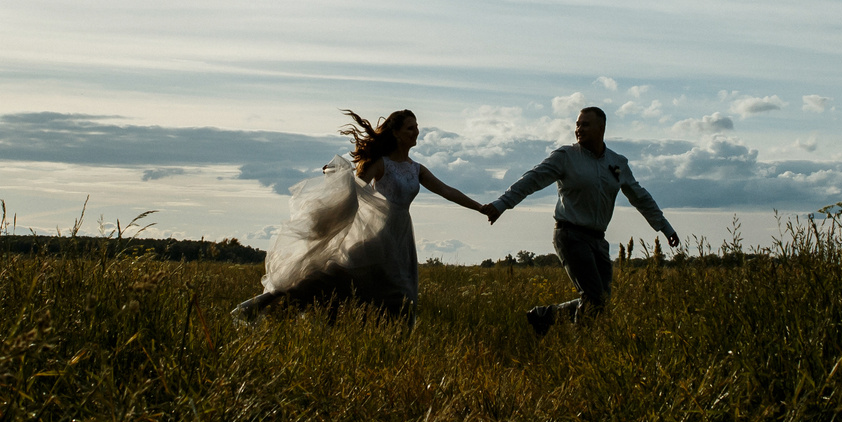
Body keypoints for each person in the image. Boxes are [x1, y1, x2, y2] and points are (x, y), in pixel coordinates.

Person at [232, 109, 492, 323]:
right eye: (410, 128)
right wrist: (335, 178)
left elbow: (446, 191)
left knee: (400, 293)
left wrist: (480, 207)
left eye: (417, 127)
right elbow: (354, 190)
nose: (416, 132)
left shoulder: (416, 169)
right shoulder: (381, 164)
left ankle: (391, 337)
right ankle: (261, 307)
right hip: (380, 235)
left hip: (402, 237)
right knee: (333, 278)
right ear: (396, 133)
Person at [485, 105, 681, 335]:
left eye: (585, 125)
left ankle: (544, 316)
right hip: (570, 234)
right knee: (593, 297)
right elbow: (532, 179)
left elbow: (640, 197)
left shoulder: (617, 163)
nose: (579, 129)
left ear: (601, 127)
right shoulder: (566, 157)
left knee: (601, 302)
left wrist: (665, 228)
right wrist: (502, 204)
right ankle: (583, 345)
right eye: (577, 124)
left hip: (598, 239)